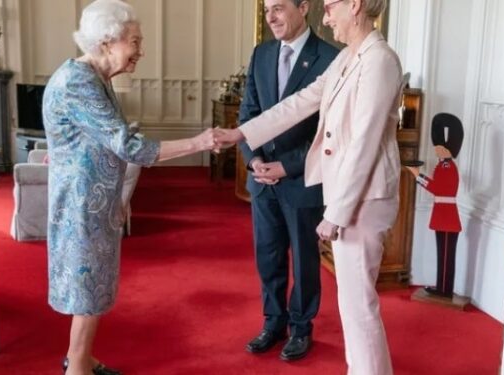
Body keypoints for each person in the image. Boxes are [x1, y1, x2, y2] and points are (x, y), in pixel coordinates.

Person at [214, 0, 402, 373]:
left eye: (330, 7)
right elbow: (300, 103)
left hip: (363, 198)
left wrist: (337, 213)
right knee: (352, 304)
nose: (326, 16)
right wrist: (241, 132)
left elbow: (363, 144)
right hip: (352, 194)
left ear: (356, 5)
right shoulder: (351, 57)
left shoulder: (379, 60)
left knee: (359, 305)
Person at [42, 1, 219, 374]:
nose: (141, 50)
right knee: (87, 289)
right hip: (81, 205)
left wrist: (118, 196)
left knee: (93, 286)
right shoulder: (78, 82)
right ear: (107, 42)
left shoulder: (96, 79)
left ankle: (81, 357)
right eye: (135, 41)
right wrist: (199, 143)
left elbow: (97, 142)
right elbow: (130, 147)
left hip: (93, 200)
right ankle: (77, 367)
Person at [239, 0, 338, 362]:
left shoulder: (330, 58)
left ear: (304, 7)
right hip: (263, 179)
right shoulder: (261, 54)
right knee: (268, 256)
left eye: (279, 8)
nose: (270, 17)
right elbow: (248, 111)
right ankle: (273, 322)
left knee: (304, 262)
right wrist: (254, 160)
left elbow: (331, 132)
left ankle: (300, 328)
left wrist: (288, 166)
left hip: (303, 180)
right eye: (266, 10)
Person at [406, 113, 464, 299]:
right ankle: (442, 286)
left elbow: (438, 188)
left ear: (448, 150)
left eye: (439, 148)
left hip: (447, 216)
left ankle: (445, 289)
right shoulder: (443, 166)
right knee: (443, 254)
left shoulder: (448, 167)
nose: (436, 151)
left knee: (446, 255)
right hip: (443, 214)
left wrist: (418, 176)